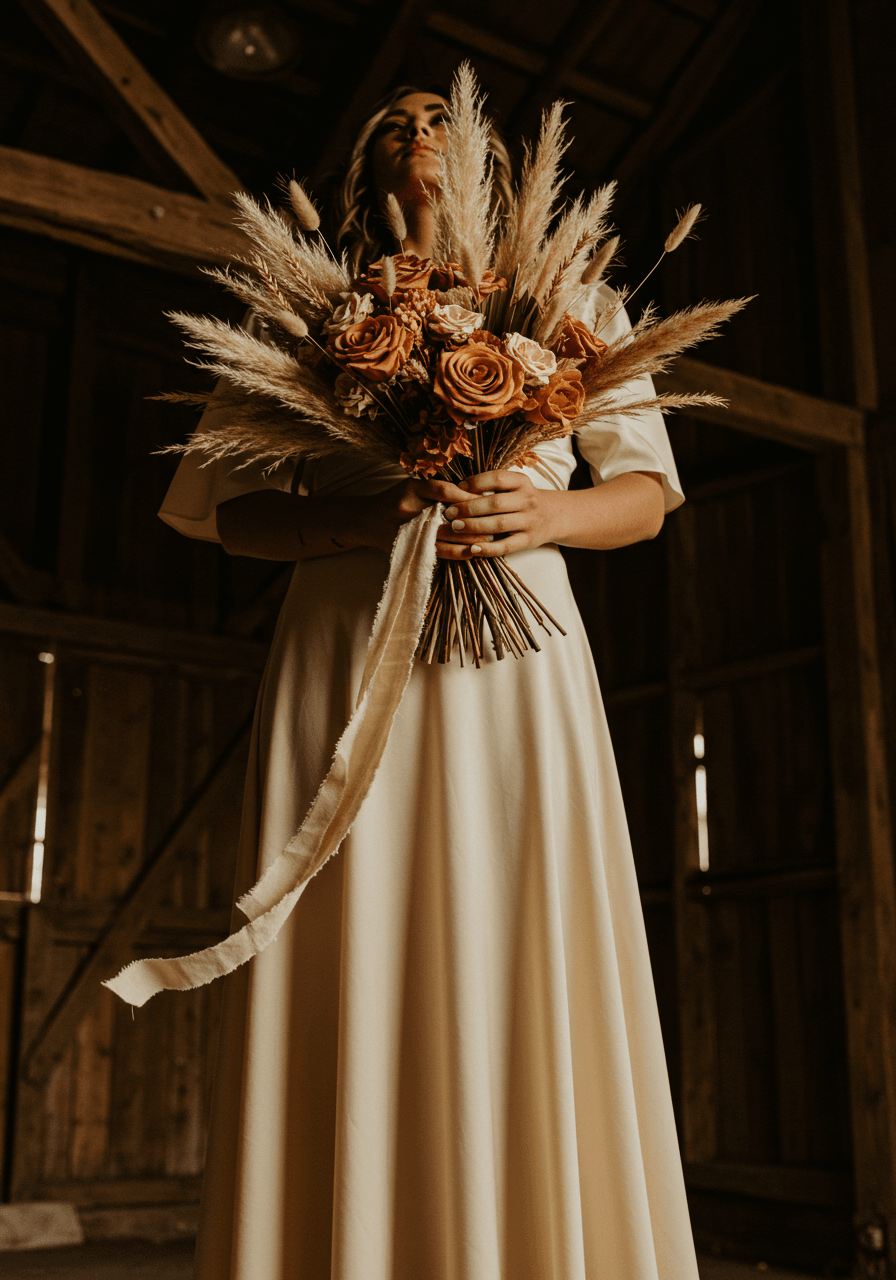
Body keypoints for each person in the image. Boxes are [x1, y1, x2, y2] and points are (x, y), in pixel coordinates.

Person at [159, 86, 699, 1280]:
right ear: (364, 169)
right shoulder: (303, 314)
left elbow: (646, 495)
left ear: (497, 165)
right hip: (344, 651)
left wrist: (547, 509)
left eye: (439, 118)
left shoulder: (575, 296)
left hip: (518, 658)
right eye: (392, 124)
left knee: (517, 922)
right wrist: (364, 517)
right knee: (351, 929)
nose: (417, 134)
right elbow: (228, 516)